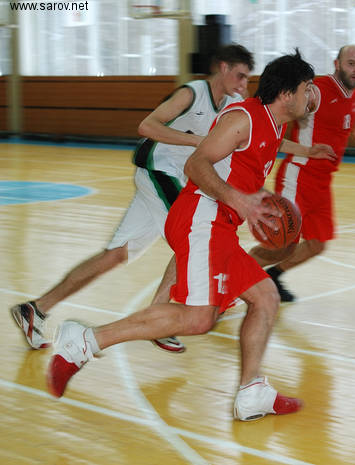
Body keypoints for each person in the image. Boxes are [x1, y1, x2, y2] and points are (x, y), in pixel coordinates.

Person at [46, 50, 332, 422]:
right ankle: (83, 342)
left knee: (266, 297)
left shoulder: (274, 125)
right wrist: (238, 200)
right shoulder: (242, 118)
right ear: (286, 93)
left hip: (220, 226)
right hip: (201, 216)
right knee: (199, 319)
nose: (311, 95)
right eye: (307, 87)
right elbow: (197, 164)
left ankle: (252, 392)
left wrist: (262, 193)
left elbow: (252, 160)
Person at [10, 44, 255, 354]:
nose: (244, 84)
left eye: (247, 79)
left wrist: (304, 151)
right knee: (196, 234)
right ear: (223, 68)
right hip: (157, 171)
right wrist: (195, 140)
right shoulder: (192, 93)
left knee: (116, 255)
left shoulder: (233, 104)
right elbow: (146, 126)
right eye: (240, 76)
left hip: (175, 179)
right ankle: (160, 317)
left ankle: (36, 309)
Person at [248, 44, 355, 303]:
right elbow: (284, 108)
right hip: (299, 175)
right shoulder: (317, 90)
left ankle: (274, 276)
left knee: (317, 244)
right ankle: (231, 280)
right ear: (337, 64)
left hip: (322, 183)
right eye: (351, 63)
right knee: (281, 243)